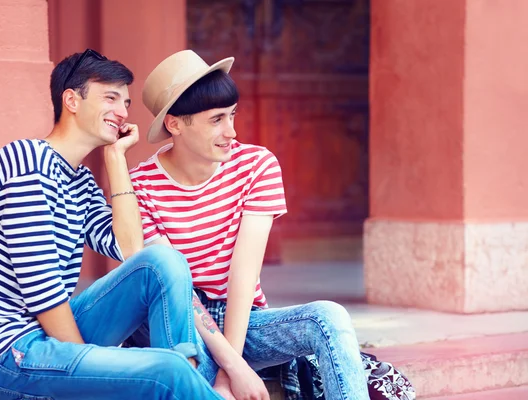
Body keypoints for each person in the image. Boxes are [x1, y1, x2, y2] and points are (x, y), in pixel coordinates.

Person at [0, 49, 224, 400]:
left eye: (125, 102)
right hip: (8, 354)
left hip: (52, 336)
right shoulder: (24, 161)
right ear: (72, 100)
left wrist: (116, 158)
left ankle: (191, 379)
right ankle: (191, 383)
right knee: (165, 369)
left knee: (164, 259)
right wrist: (85, 366)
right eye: (110, 97)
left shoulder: (80, 182)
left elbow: (130, 250)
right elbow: (41, 286)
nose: (123, 112)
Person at [128, 49, 370, 400]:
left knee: (329, 317)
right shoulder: (141, 185)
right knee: (185, 350)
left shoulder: (256, 165)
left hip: (244, 319)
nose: (231, 131)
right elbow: (176, 289)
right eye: (216, 120)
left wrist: (232, 365)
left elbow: (243, 276)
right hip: (176, 321)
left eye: (232, 115)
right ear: (175, 124)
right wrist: (235, 369)